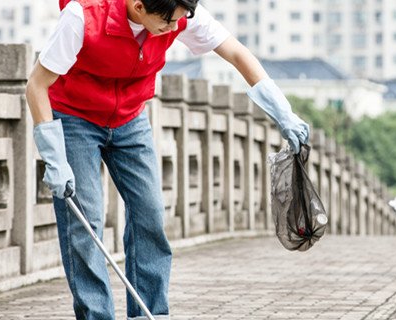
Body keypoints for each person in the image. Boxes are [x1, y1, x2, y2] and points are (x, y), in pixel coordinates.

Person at [25, 0, 310, 318]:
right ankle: (95, 315)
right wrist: (54, 156)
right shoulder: (82, 18)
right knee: (85, 222)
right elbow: (36, 86)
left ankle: (150, 313)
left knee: (150, 216)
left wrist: (282, 111)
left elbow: (236, 53)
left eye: (179, 21)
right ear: (138, 6)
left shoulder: (180, 10)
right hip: (75, 117)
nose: (175, 29)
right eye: (168, 23)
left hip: (129, 120)